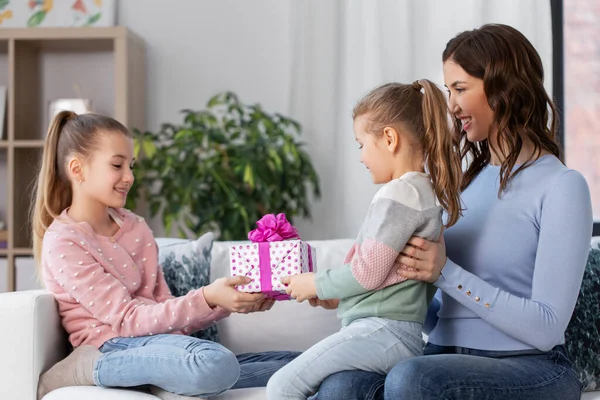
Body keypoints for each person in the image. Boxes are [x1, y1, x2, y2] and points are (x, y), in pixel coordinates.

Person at [315, 23, 593, 400]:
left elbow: (546, 327)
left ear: (503, 87)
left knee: (412, 380)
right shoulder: (458, 184)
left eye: (461, 89)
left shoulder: (562, 186)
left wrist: (445, 272)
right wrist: (363, 291)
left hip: (530, 365)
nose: (452, 106)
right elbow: (433, 310)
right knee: (341, 386)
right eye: (448, 90)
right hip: (440, 355)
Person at [32, 111, 300, 400]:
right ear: (77, 169)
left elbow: (167, 311)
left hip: (163, 345)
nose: (129, 177)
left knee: (307, 363)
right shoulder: (64, 241)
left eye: (131, 166)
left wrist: (226, 302)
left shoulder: (135, 228)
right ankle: (89, 369)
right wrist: (207, 297)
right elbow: (128, 320)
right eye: (117, 165)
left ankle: (166, 377)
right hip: (109, 346)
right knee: (214, 363)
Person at [266, 79, 464, 399]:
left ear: (389, 138)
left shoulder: (400, 192)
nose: (361, 157)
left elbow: (367, 272)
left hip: (382, 331)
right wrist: (337, 297)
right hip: (394, 333)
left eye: (361, 144)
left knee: (281, 386)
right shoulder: (423, 193)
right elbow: (391, 279)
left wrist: (314, 283)